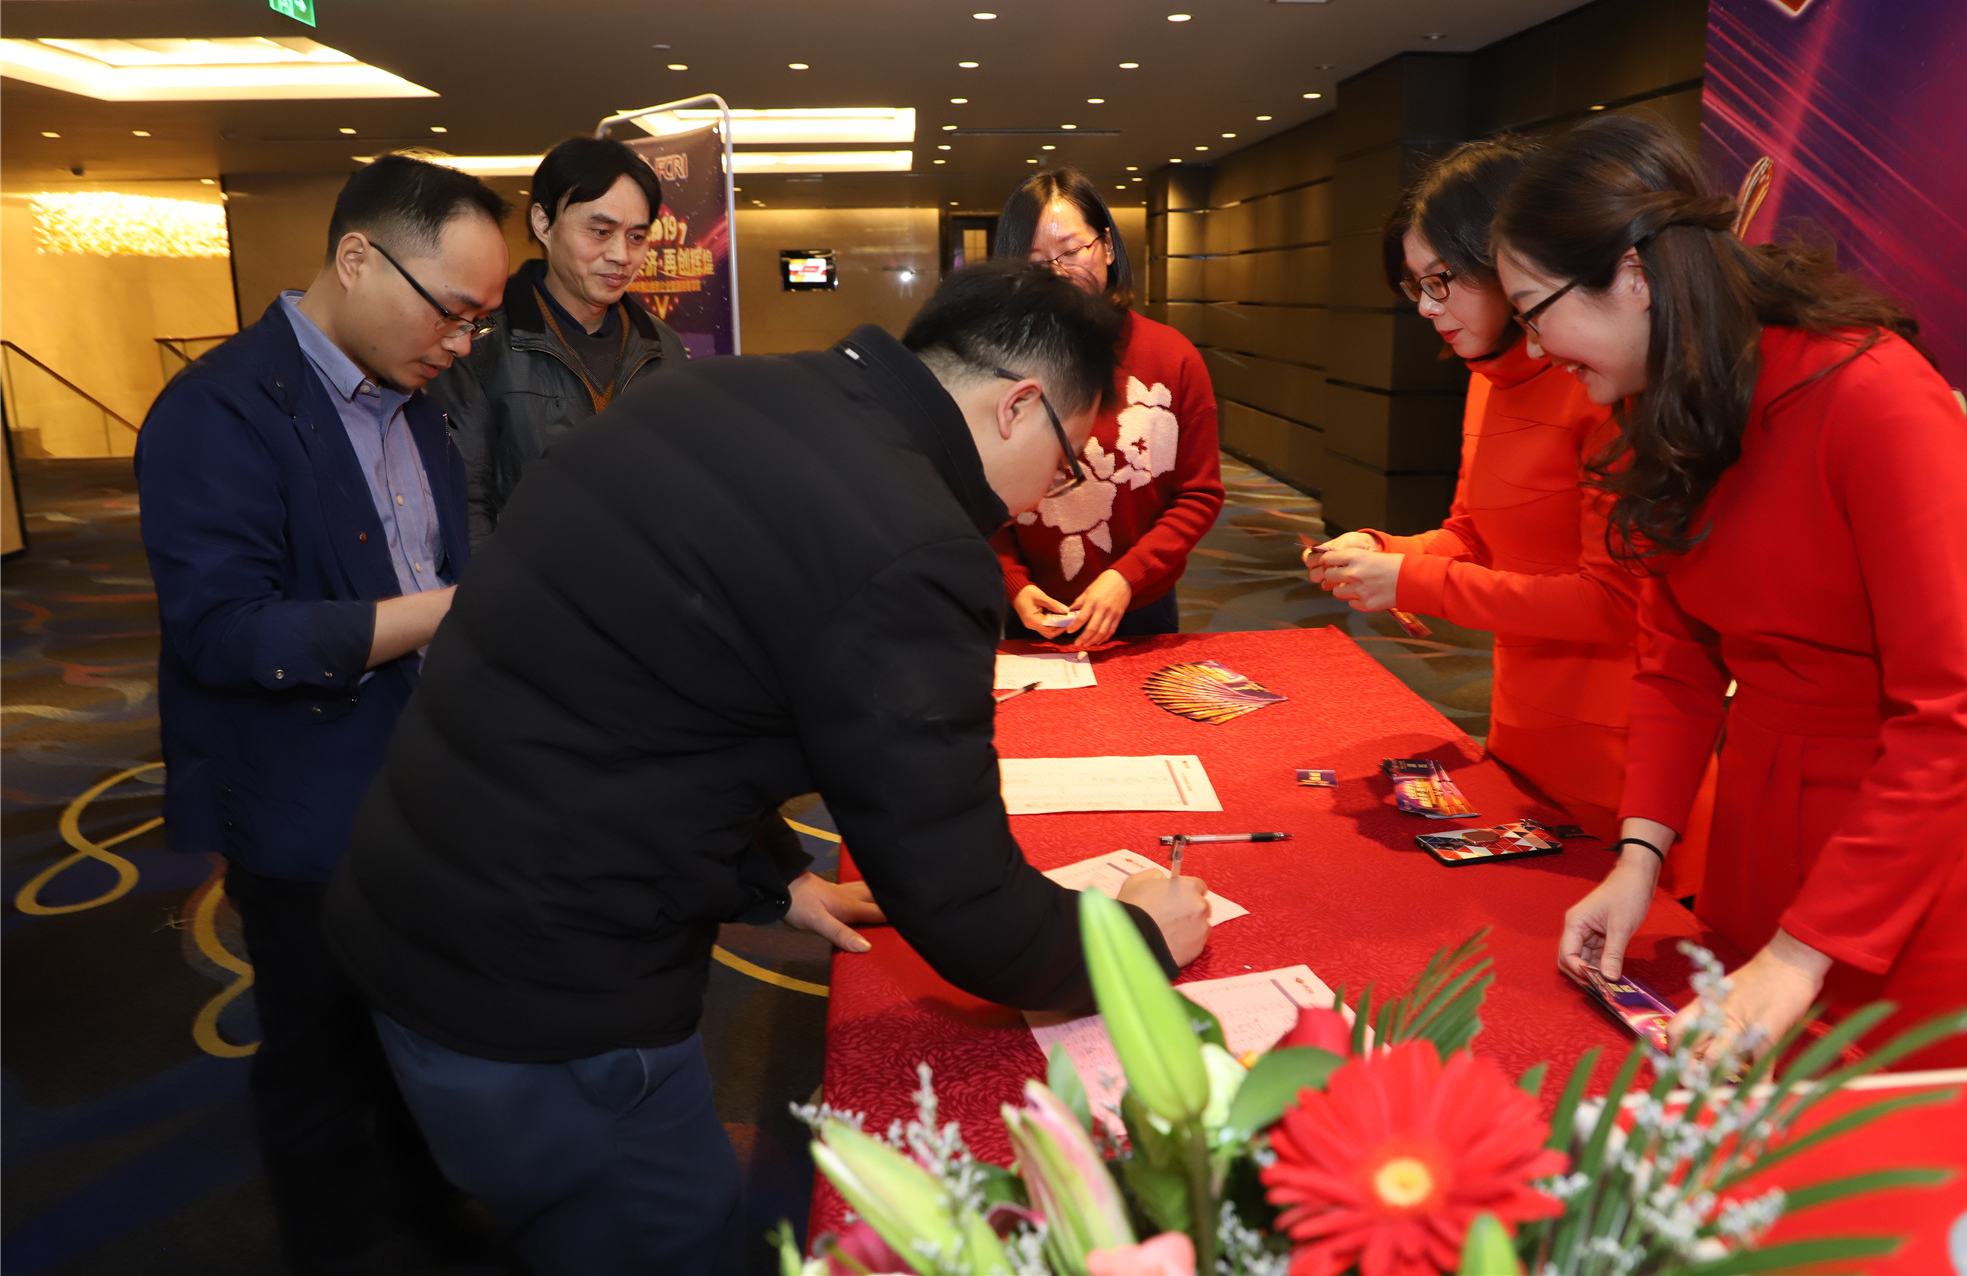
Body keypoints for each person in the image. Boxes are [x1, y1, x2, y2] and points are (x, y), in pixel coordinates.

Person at [321, 261, 1216, 1275]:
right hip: (542, 986)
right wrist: (1140, 939)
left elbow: (660, 674)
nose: (1045, 500)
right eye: (1063, 464)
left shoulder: (719, 390)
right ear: (1018, 406)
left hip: (413, 892)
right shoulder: (913, 541)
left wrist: (775, 875)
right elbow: (962, 899)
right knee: (670, 1241)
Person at [1498, 116, 1967, 1069]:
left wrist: (1805, 951)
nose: (1530, 348)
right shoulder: (1670, 398)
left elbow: (1955, 711)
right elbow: (1676, 658)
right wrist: (1639, 858)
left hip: (1904, 858)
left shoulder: (1873, 397)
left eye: (1533, 311)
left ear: (1634, 276)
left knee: (1869, 1138)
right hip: (1757, 827)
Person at [135, 153, 511, 1272]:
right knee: (319, 1053)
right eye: (451, 310)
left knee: (423, 1027)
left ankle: (425, 1205)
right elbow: (224, 631)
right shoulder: (219, 409)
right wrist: (453, 610)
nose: (461, 343)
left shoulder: (417, 405)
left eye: (480, 322)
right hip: (304, 800)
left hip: (425, 784)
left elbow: (426, 563)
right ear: (357, 257)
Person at [1302, 137, 1708, 889]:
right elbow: (1474, 534)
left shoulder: (1602, 381)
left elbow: (1616, 603)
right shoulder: (1488, 377)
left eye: (1442, 280)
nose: (1427, 307)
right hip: (1521, 721)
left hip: (1620, 741)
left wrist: (1412, 582)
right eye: (1415, 286)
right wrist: (1383, 550)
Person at [989, 167, 1223, 647]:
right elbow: (976, 500)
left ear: (1108, 246)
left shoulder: (1171, 357)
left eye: (1073, 250)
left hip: (1141, 603)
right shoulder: (993, 368)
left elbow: (1199, 495)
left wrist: (1126, 579)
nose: (1058, 272)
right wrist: (1014, 584)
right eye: (1036, 261)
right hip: (1033, 609)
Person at [430, 135, 690, 544]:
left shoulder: (663, 347)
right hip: (524, 579)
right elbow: (464, 502)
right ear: (544, 223)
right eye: (601, 231)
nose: (621, 255)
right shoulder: (479, 343)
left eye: (637, 237)